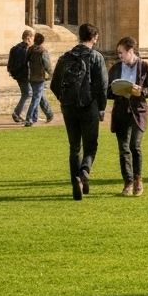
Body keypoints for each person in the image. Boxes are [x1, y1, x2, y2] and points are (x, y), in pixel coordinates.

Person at [50, 23, 108, 200]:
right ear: (95, 38)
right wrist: (102, 108)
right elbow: (103, 86)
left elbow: (54, 84)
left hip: (69, 107)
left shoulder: (65, 58)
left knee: (74, 147)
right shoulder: (96, 57)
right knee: (91, 145)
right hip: (89, 106)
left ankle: (77, 181)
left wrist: (65, 100)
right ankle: (84, 171)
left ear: (78, 36)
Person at [107, 37, 148, 197]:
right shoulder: (115, 68)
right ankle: (127, 182)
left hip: (138, 111)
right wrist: (114, 90)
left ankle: (138, 180)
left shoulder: (145, 67)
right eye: (118, 53)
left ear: (130, 51)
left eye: (121, 53)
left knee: (135, 146)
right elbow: (107, 91)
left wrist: (141, 91)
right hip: (121, 111)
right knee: (123, 149)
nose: (119, 56)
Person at [24, 33, 54, 127]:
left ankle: (48, 114)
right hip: (40, 78)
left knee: (40, 96)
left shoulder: (30, 49)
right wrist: (51, 75)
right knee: (36, 98)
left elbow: (26, 61)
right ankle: (29, 118)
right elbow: (47, 65)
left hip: (32, 77)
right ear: (42, 41)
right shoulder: (43, 51)